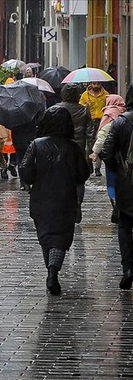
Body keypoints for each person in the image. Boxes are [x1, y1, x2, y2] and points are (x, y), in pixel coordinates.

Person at [20, 105, 89, 295]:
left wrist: (34, 179)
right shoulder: (73, 147)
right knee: (60, 238)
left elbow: (25, 171)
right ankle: (53, 271)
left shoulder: (36, 144)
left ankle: (51, 271)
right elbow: (83, 174)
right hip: (65, 199)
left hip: (41, 199)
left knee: (46, 237)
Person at [101, 83, 133, 289]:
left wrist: (118, 171)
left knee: (125, 225)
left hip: (127, 182)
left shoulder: (121, 122)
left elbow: (107, 151)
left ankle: (128, 268)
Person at [57, 83, 92, 222]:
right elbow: (90, 134)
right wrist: (91, 152)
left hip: (60, 149)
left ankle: (65, 205)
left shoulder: (56, 109)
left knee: (61, 178)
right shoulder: (84, 111)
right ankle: (77, 203)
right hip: (79, 148)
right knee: (79, 179)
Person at [91, 94, 127, 223]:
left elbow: (102, 136)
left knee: (111, 182)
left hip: (111, 156)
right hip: (124, 156)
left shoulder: (109, 114)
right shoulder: (125, 114)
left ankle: (115, 205)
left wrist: (95, 152)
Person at [80, 81, 108, 176]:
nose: (96, 86)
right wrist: (86, 105)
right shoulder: (85, 95)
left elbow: (108, 107)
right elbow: (80, 109)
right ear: (90, 84)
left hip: (102, 120)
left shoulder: (105, 94)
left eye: (98, 84)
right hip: (90, 121)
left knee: (100, 143)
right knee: (89, 145)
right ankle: (89, 167)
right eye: (94, 84)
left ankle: (97, 168)